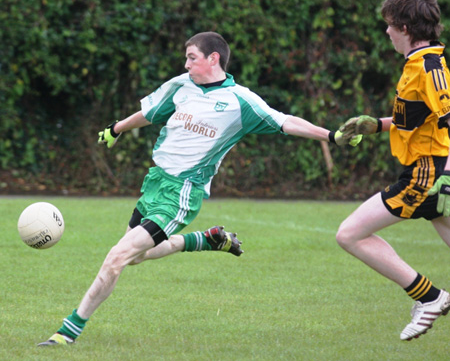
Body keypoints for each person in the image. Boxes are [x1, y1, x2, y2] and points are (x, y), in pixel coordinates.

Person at [38, 31, 360, 346]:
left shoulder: (240, 101)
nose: (186, 64)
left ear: (213, 58)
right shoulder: (181, 86)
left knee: (117, 256)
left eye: (192, 58)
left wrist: (332, 135)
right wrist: (116, 128)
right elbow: (150, 114)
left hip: (182, 192)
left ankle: (68, 331)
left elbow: (286, 121)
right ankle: (205, 240)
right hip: (155, 183)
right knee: (136, 257)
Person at [337, 0, 450, 341]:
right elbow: (419, 119)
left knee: (350, 234)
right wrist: (376, 125)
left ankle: (430, 298)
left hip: (427, 174)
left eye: (389, 25)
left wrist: (446, 173)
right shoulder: (421, 62)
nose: (386, 32)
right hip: (429, 169)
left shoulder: (428, 66)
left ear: (404, 26)